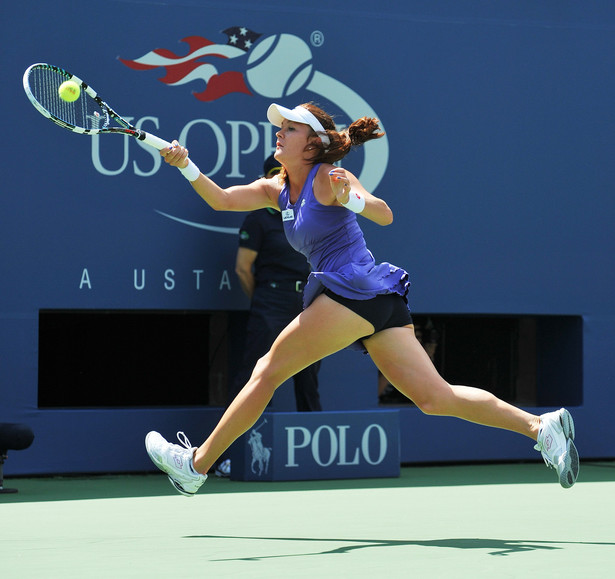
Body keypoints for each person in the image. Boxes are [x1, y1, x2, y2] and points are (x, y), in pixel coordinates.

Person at [145, 102, 579, 495]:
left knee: (267, 370)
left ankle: (196, 466)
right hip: (376, 300)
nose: (278, 132)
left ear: (312, 143)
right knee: (435, 399)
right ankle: (542, 427)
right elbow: (220, 200)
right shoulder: (275, 190)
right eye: (280, 127)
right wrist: (185, 165)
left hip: (350, 289)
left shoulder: (328, 178)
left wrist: (351, 195)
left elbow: (383, 213)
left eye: (290, 128)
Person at [214, 154, 321, 478]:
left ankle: (314, 458)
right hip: (269, 302)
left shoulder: (308, 218)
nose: (282, 182)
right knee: (254, 378)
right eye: (275, 176)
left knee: (308, 378)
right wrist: (264, 299)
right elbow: (243, 269)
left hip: (307, 302)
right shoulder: (258, 219)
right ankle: (232, 456)